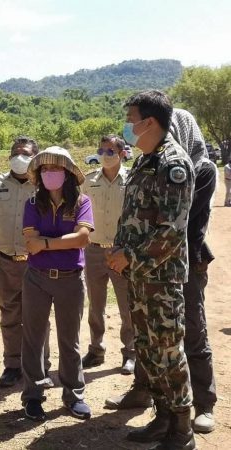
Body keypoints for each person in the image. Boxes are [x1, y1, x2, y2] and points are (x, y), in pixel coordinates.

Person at [106, 109, 218, 435]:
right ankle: (154, 403)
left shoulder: (196, 168)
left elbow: (177, 224)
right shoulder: (148, 162)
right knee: (150, 339)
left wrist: (133, 254)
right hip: (146, 266)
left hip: (182, 264)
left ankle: (203, 405)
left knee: (187, 336)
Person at [20, 146, 93, 422]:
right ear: (39, 174)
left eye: (57, 168)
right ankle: (33, 396)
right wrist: (63, 241)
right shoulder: (31, 204)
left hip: (70, 279)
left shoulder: (82, 202)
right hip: (36, 278)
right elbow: (31, 243)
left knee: (69, 340)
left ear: (68, 173)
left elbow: (82, 239)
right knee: (33, 339)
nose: (50, 173)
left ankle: (74, 395)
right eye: (46, 169)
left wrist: (47, 243)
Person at [0, 137, 52, 388]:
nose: (18, 157)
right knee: (9, 315)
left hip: (36, 261)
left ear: (35, 158)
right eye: (15, 152)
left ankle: (41, 366)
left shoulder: (44, 186)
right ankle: (12, 365)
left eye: (25, 153)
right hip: (4, 260)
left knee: (38, 316)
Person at [81, 135, 135, 375]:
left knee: (126, 305)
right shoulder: (89, 180)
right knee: (95, 306)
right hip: (93, 250)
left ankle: (130, 353)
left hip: (120, 251)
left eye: (110, 151)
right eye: (101, 150)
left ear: (122, 154)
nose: (105, 155)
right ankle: (96, 350)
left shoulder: (132, 180)